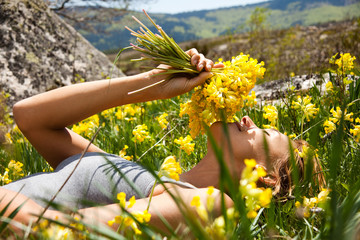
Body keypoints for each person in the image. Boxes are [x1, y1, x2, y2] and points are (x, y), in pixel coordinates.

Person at [0, 49, 323, 236]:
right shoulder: (142, 177)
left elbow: (49, 231)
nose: (247, 120)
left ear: (265, 178)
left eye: (263, 134)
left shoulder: (213, 205)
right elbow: (29, 117)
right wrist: (150, 86)